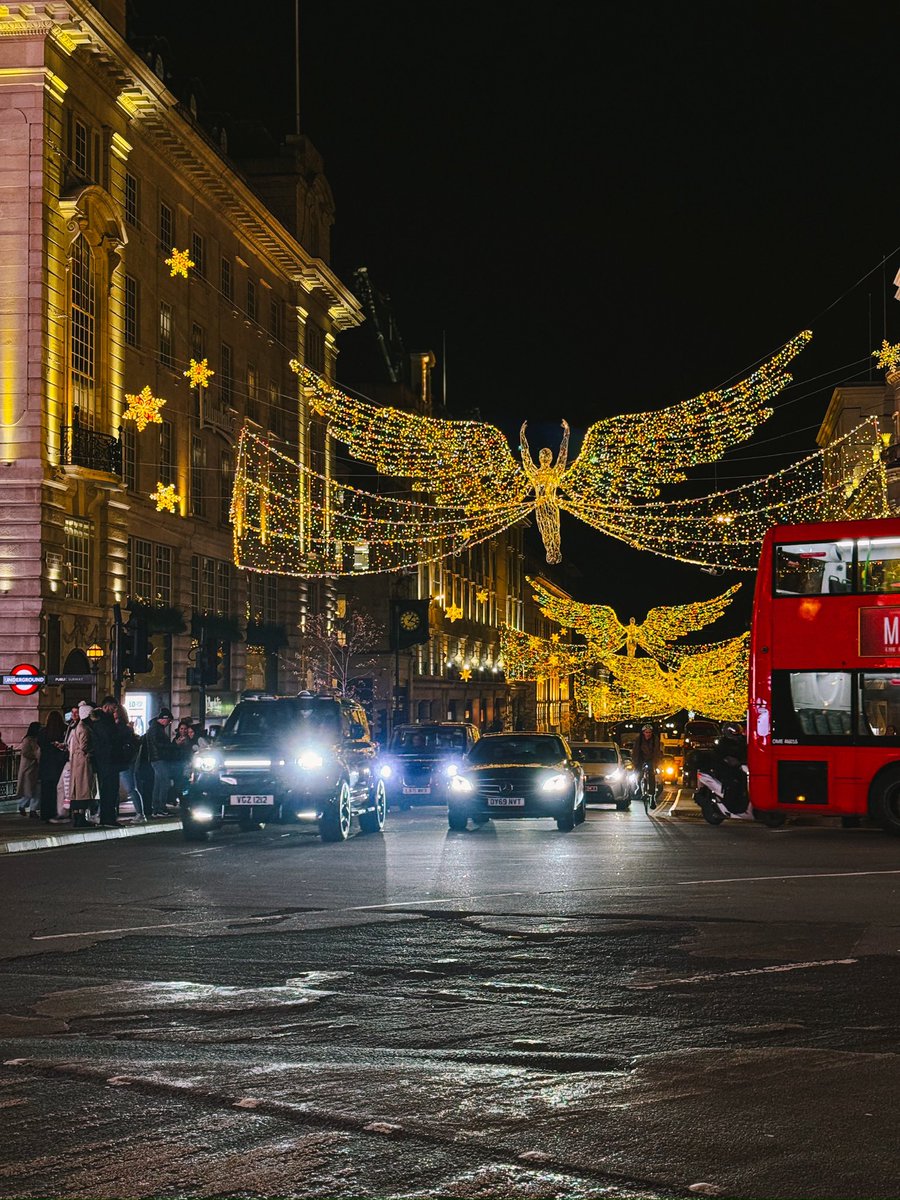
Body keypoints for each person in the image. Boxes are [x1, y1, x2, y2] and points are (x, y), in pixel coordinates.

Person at [91, 696, 122, 827]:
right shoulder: (104, 722)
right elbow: (110, 739)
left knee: (110, 790)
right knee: (110, 790)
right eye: (113, 707)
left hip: (107, 760)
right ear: (106, 706)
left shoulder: (101, 721)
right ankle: (108, 817)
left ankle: (108, 817)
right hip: (108, 760)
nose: (115, 710)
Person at [115, 703, 145, 822]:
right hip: (122, 760)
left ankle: (140, 813)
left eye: (115, 711)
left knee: (130, 788)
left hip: (125, 761)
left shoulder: (123, 727)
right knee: (116, 788)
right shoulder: (123, 727)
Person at [37, 710, 68, 823]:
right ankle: (57, 811)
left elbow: (40, 744)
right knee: (59, 790)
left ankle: (45, 813)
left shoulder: (43, 732)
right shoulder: (64, 730)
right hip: (59, 764)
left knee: (46, 791)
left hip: (46, 765)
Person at [145, 707, 177, 817]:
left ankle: (157, 808)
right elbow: (158, 744)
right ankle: (160, 808)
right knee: (164, 783)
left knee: (159, 784)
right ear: (164, 719)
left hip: (156, 759)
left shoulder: (155, 728)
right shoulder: (156, 729)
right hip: (158, 759)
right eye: (169, 721)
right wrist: (173, 745)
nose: (169, 723)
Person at [69, 701, 96, 829]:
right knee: (83, 789)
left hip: (76, 761)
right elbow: (84, 746)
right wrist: (92, 750)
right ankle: (81, 817)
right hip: (83, 762)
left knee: (77, 790)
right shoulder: (84, 728)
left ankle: (77, 816)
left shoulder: (76, 727)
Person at [632, 722, 662, 806]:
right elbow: (635, 751)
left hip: (651, 759)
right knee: (638, 773)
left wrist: (656, 764)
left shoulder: (655, 739)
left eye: (649, 732)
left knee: (651, 775)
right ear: (643, 733)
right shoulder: (639, 739)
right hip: (641, 758)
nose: (648, 734)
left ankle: (652, 796)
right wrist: (635, 762)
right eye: (646, 732)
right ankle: (638, 787)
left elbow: (656, 751)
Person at [16, 722, 42, 817]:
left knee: (36, 790)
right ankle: (23, 805)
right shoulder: (28, 740)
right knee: (29, 790)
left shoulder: (36, 739)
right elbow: (25, 752)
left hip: (35, 768)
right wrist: (36, 756)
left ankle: (33, 810)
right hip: (29, 768)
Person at [172, 718, 198, 807]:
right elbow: (172, 751)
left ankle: (184, 800)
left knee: (186, 782)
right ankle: (178, 799)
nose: (183, 731)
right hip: (178, 764)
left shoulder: (190, 739)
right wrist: (177, 744)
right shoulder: (175, 739)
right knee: (178, 783)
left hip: (187, 763)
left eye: (185, 729)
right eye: (181, 729)